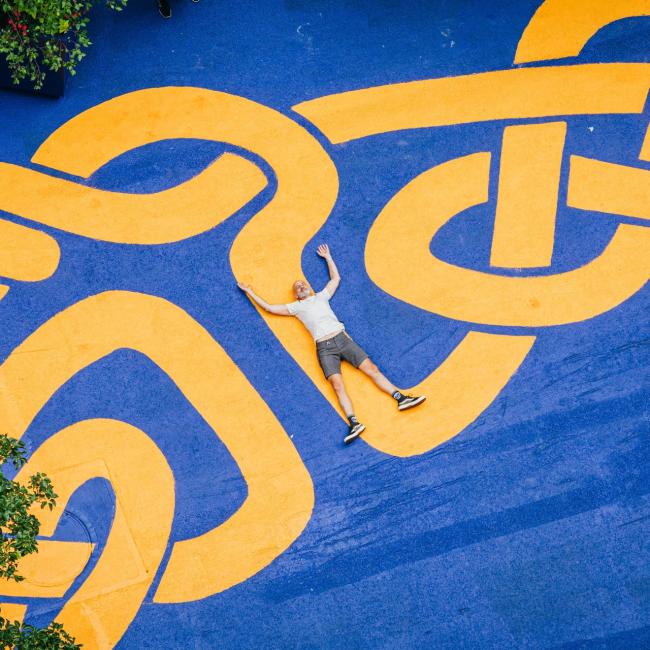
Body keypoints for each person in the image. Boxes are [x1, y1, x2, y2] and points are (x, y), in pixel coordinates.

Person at [237, 244, 426, 445]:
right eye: (297, 287)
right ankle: (354, 422)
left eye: (303, 284)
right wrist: (250, 291)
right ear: (295, 295)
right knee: (337, 385)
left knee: (372, 369)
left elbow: (335, 279)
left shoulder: (321, 297)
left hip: (342, 339)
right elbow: (269, 308)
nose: (300, 286)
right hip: (324, 348)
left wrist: (328, 257)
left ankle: (401, 398)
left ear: (309, 288)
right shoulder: (295, 307)